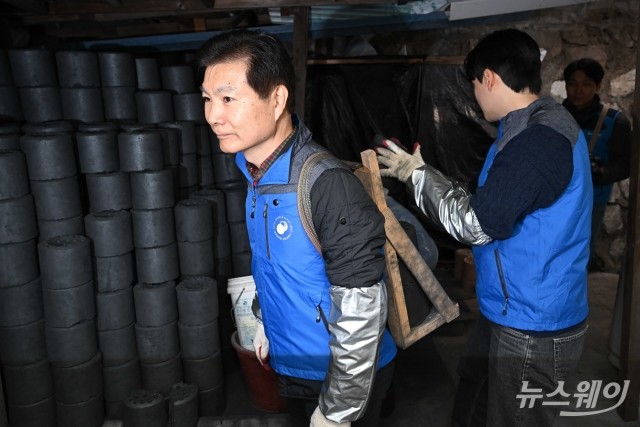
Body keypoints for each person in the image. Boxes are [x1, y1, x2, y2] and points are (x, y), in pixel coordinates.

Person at [376, 28, 592, 426]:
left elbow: (478, 223)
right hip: (509, 307)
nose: (475, 94)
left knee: (514, 418)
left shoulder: (539, 141)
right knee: (475, 390)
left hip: (534, 323)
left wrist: (417, 178)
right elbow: (490, 202)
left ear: (488, 78)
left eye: (475, 84)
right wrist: (424, 173)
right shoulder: (525, 128)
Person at [196, 29, 397, 427]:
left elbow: (362, 309)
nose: (213, 115)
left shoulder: (326, 185)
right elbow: (283, 269)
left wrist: (338, 410)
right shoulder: (254, 175)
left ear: (277, 99)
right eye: (207, 99)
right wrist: (271, 321)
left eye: (228, 98)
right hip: (294, 364)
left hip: (344, 376)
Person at [562, 57, 632, 267]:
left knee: (580, 256)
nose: (578, 90)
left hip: (592, 202)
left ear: (598, 85)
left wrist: (600, 172)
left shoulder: (614, 121)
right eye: (573, 84)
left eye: (586, 84)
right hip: (555, 199)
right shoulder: (552, 117)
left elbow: (625, 164)